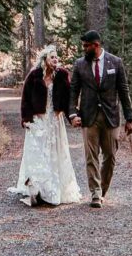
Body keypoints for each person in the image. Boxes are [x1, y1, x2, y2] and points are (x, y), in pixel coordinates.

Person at [7, 48, 86, 207]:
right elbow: (26, 99)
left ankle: (53, 190)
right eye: (52, 57)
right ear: (44, 59)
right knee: (38, 155)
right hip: (38, 121)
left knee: (54, 154)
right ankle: (37, 191)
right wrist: (26, 119)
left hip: (55, 121)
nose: (56, 59)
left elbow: (69, 98)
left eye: (57, 57)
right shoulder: (34, 75)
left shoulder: (62, 75)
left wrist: (72, 116)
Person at [67, 31, 132, 206]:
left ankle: (103, 189)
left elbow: (123, 91)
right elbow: (74, 91)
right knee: (91, 156)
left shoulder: (116, 62)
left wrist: (130, 117)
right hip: (88, 116)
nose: (84, 49)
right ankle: (95, 193)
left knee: (110, 155)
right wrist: (73, 114)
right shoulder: (80, 64)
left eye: (86, 46)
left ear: (96, 45)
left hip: (111, 116)